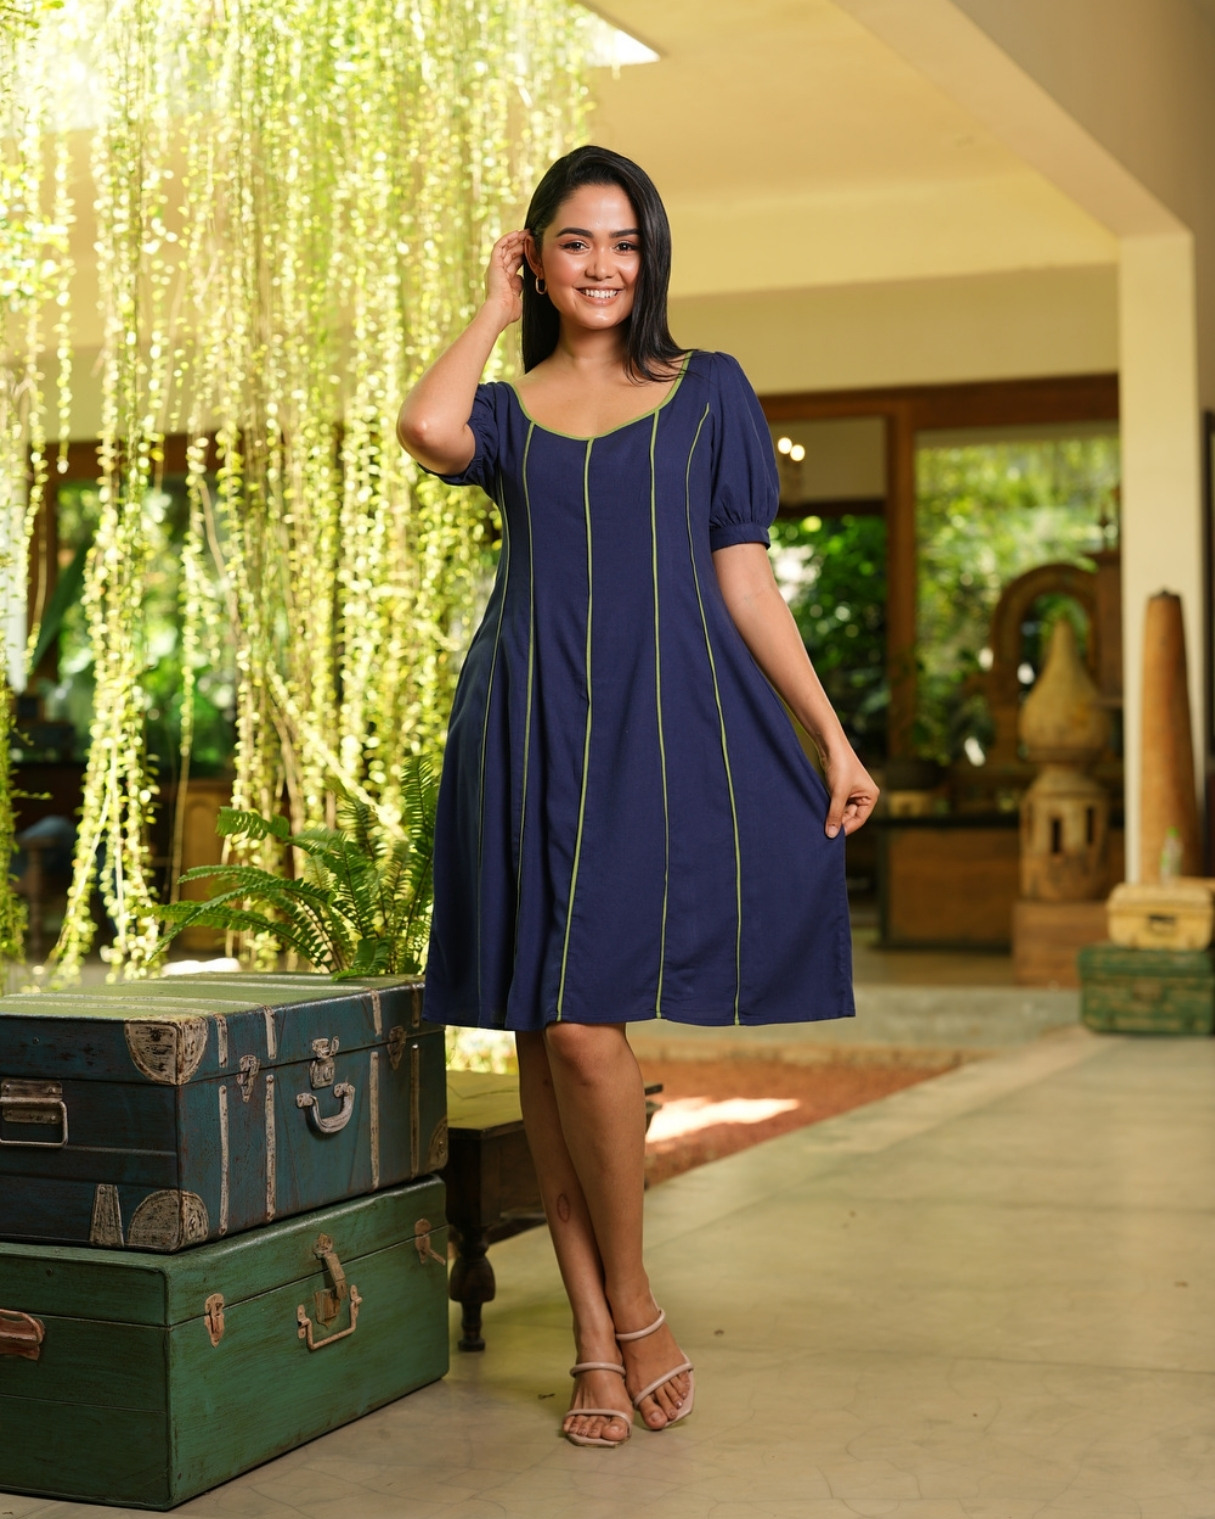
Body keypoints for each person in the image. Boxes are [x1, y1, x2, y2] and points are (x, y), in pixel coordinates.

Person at [397, 145, 878, 1448]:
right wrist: (490, 310)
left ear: (651, 256)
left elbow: (744, 580)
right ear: (537, 257)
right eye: (573, 242)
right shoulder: (507, 410)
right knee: (544, 1032)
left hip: (653, 739)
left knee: (583, 1027)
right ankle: (602, 1334)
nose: (602, 265)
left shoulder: (708, 391)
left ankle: (629, 1305)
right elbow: (427, 428)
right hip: (521, 727)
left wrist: (830, 737)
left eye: (624, 241)